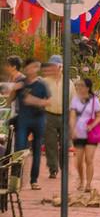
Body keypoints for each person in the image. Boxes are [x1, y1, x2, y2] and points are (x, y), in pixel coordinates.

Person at [13, 58, 50, 189]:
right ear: (25, 68)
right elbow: (9, 99)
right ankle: (15, 180)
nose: (34, 70)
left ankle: (34, 180)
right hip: (23, 119)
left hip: (38, 119)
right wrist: (13, 89)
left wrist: (34, 101)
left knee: (36, 150)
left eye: (36, 67)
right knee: (19, 149)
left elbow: (48, 101)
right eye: (31, 67)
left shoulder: (41, 84)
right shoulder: (21, 84)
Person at [41, 55, 75, 180]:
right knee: (50, 144)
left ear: (61, 67)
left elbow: (73, 103)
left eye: (56, 65)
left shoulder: (69, 83)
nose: (54, 68)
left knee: (65, 144)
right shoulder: (44, 82)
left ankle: (64, 167)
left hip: (64, 115)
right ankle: (53, 169)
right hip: (48, 115)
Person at [70, 77, 100, 192]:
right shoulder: (75, 100)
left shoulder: (94, 100)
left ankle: (88, 184)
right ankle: (81, 179)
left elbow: (99, 115)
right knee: (78, 161)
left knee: (89, 159)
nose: (78, 87)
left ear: (87, 88)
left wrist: (92, 125)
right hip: (78, 133)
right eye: (78, 85)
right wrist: (72, 129)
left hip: (91, 134)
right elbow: (72, 115)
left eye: (81, 85)